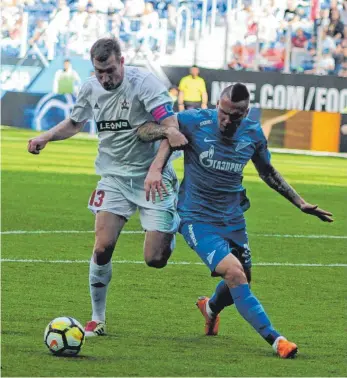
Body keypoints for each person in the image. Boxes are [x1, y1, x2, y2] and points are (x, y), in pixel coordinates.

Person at [136, 83, 333, 358]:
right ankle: (277, 340)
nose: (227, 121)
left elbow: (267, 172)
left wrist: (299, 202)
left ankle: (210, 308)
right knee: (234, 273)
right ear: (218, 104)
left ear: (246, 112)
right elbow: (143, 130)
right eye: (223, 113)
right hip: (197, 218)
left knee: (242, 282)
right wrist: (165, 136)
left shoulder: (253, 133)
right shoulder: (194, 120)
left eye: (235, 116)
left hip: (233, 219)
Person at [28, 37, 187, 337]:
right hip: (113, 177)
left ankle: (171, 225)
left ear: (122, 61)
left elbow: (172, 128)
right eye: (99, 72)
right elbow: (75, 123)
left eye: (110, 70)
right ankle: (97, 318)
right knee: (102, 247)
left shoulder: (145, 84)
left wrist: (156, 169)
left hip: (152, 175)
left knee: (156, 259)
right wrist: (46, 136)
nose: (105, 78)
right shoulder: (90, 87)